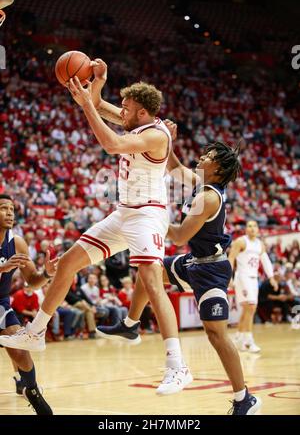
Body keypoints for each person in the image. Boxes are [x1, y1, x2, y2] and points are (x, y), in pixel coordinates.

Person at [0, 62, 192, 395]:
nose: (123, 112)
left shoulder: (153, 134)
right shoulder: (138, 120)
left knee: (151, 281)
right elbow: (102, 106)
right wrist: (97, 85)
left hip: (148, 215)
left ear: (143, 112)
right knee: (68, 262)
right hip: (124, 213)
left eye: (128, 109)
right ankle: (36, 332)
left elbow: (112, 145)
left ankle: (178, 366)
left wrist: (87, 104)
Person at [98, 140, 261, 414]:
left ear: (218, 169)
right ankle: (130, 324)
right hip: (194, 261)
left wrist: (151, 218)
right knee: (149, 269)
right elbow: (173, 166)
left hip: (212, 270)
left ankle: (244, 398)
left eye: (208, 156)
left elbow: (180, 235)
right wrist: (169, 140)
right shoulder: (200, 182)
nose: (201, 156)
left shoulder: (208, 197)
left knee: (216, 335)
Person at [0, 194, 54, 414]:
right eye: (4, 208)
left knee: (20, 351)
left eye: (12, 209)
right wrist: (2, 269)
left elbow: (32, 280)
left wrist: (46, 274)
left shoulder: (17, 242)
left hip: (1, 304)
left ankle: (31, 390)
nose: (10, 213)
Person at [228, 220, 278, 352]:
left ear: (258, 229)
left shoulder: (260, 244)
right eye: (249, 226)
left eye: (254, 226)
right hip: (242, 278)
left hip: (254, 279)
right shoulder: (240, 242)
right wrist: (229, 278)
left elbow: (265, 261)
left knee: (248, 309)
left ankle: (238, 337)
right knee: (250, 307)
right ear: (245, 229)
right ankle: (249, 341)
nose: (252, 228)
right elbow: (231, 258)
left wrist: (271, 277)